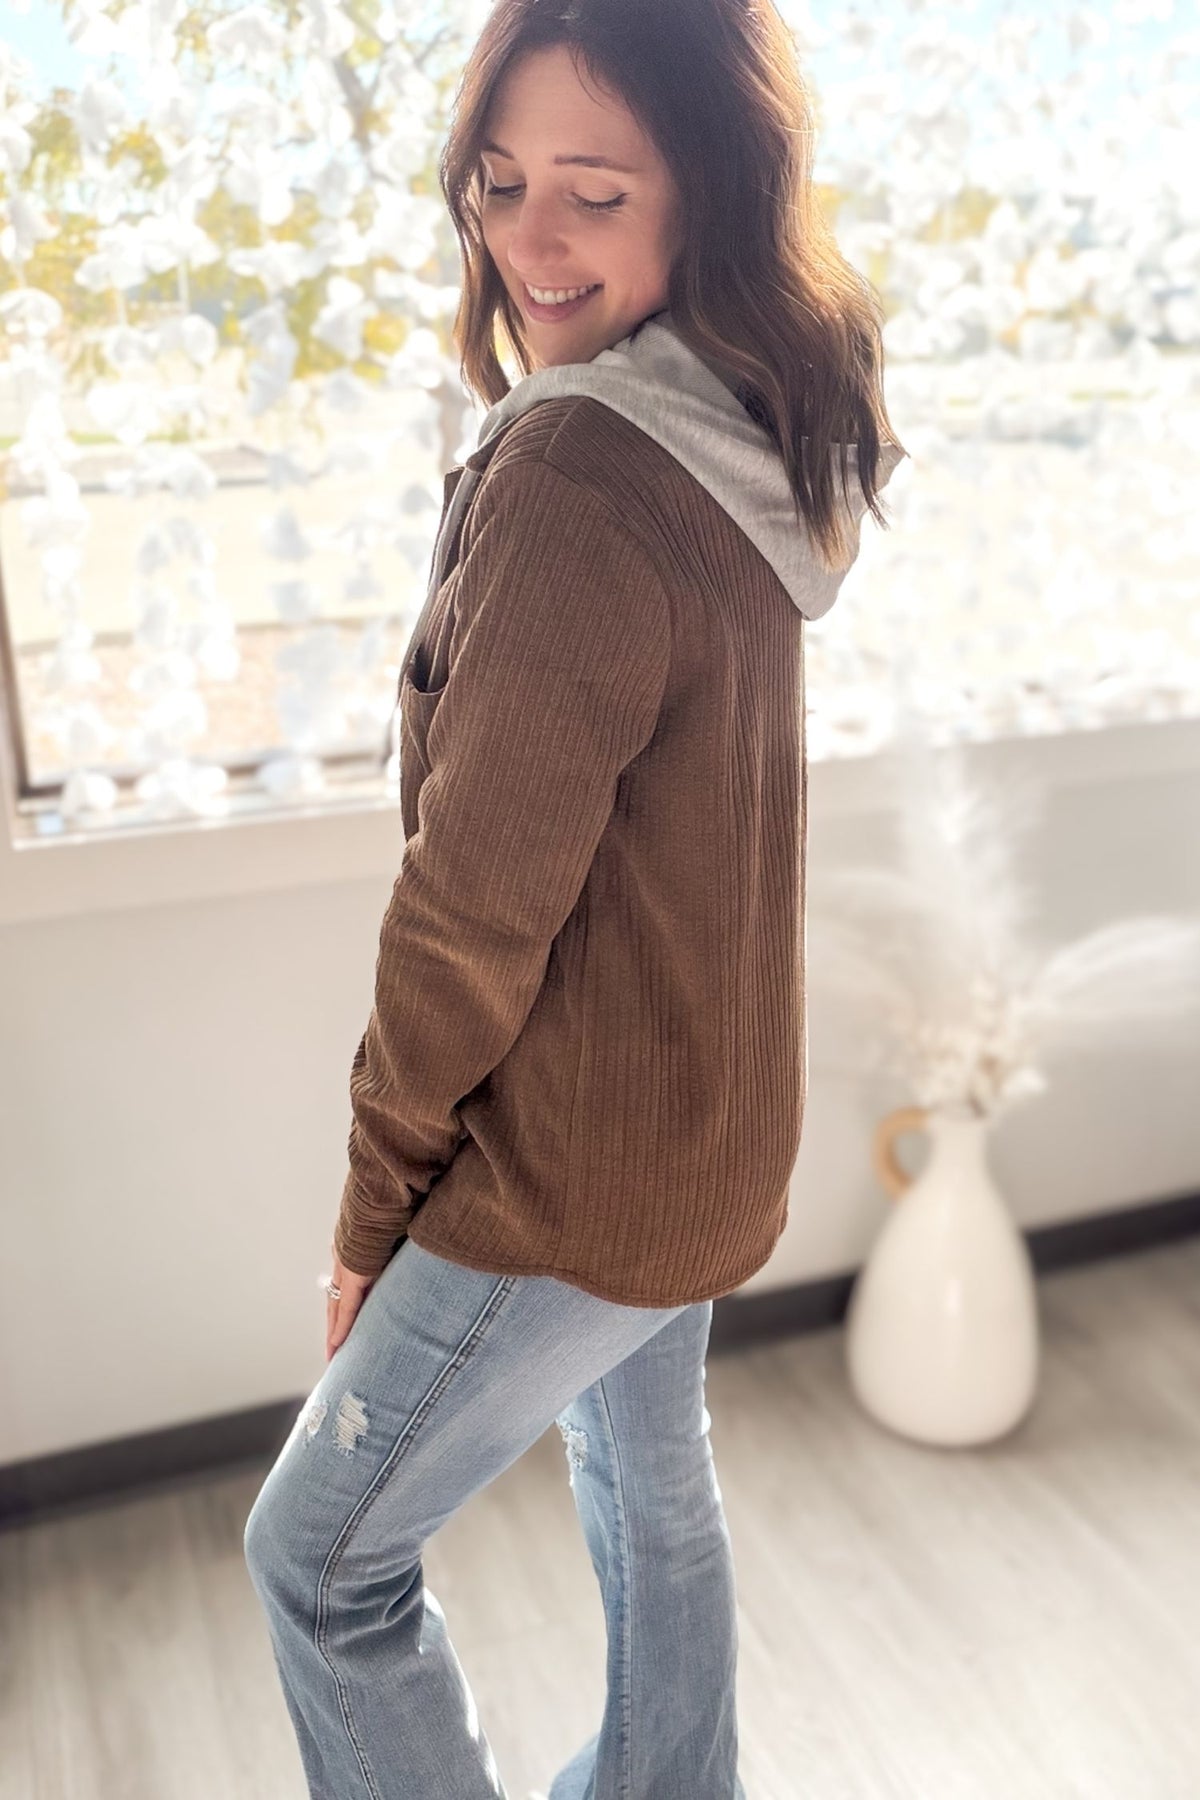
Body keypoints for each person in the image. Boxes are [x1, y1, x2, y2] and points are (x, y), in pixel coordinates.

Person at [243, 2, 906, 1795]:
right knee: (651, 1479)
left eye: (593, 196)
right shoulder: (757, 435)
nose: (527, 239)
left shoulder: (581, 473)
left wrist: (373, 1215)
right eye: (503, 180)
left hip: (556, 1169)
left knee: (316, 1560)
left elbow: (471, 914)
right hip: (703, 1136)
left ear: (707, 201)